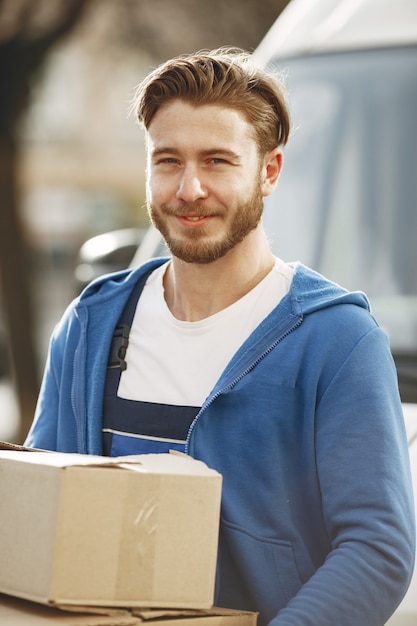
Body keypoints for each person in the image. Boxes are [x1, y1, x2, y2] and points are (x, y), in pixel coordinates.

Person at [25, 48, 415, 625]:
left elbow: (376, 550)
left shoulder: (337, 341)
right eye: (168, 161)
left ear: (269, 171)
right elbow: (38, 504)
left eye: (216, 161)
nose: (189, 189)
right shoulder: (93, 323)